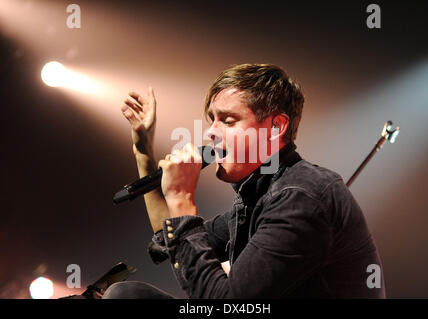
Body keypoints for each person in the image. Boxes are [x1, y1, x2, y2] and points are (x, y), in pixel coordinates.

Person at [103, 64, 386, 299]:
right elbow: (167, 239)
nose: (211, 132)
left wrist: (181, 199)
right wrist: (143, 152)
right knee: (129, 296)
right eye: (212, 119)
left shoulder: (301, 197)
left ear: (276, 127)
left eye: (227, 120)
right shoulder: (257, 197)